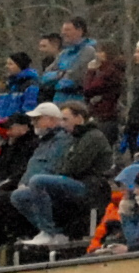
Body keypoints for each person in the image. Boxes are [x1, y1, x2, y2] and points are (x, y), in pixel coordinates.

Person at [9, 99, 114, 246]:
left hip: (91, 186)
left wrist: (61, 170)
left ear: (79, 118)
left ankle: (49, 232)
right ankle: (51, 231)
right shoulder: (75, 138)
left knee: (37, 181)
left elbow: (74, 166)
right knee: (18, 195)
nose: (62, 123)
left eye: (65, 119)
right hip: (74, 181)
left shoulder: (92, 136)